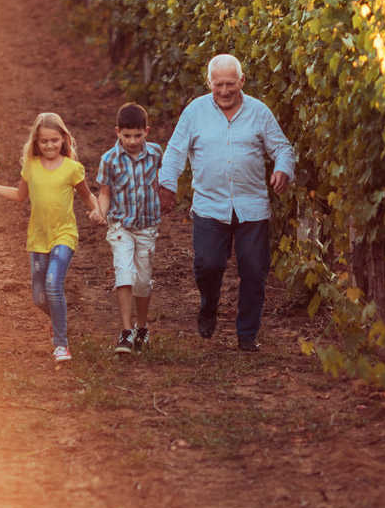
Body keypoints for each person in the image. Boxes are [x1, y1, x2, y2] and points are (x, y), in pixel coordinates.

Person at [158, 54, 295, 352]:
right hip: (210, 205)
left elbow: (282, 148)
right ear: (209, 83)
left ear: (242, 81)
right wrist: (167, 185)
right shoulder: (195, 112)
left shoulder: (259, 112)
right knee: (208, 265)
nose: (224, 91)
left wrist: (283, 169)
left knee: (255, 270)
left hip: (252, 207)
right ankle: (209, 305)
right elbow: (175, 152)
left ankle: (247, 335)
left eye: (230, 83)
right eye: (218, 84)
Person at [0, 113, 104, 363]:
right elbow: (20, 195)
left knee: (53, 284)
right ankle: (58, 318)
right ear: (36, 142)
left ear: (63, 139)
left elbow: (87, 195)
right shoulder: (31, 166)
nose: (49, 145)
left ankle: (61, 344)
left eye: (54, 140)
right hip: (38, 239)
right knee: (39, 297)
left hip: (64, 235)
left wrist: (96, 209)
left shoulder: (72, 168)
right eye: (44, 141)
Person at [95, 103, 163, 355]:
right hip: (120, 226)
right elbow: (105, 194)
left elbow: (162, 182)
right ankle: (125, 331)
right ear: (117, 132)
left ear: (146, 131)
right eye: (126, 136)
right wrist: (99, 212)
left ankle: (141, 328)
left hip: (147, 227)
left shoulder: (156, 154)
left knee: (143, 282)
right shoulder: (109, 160)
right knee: (124, 272)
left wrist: (166, 197)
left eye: (138, 135)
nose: (132, 141)